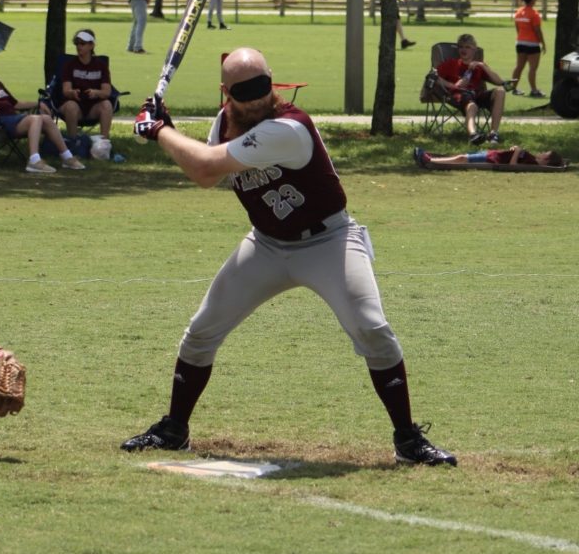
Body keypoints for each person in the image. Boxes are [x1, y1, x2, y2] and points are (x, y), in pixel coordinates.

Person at [122, 47, 457, 467]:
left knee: (372, 329)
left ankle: (408, 440)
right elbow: (206, 176)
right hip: (266, 243)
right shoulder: (224, 124)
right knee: (202, 331)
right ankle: (174, 429)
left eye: (263, 85)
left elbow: (207, 166)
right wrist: (166, 130)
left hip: (329, 241)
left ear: (272, 81)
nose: (258, 97)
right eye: (245, 91)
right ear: (226, 92)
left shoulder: (289, 127)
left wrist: (158, 132)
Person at [0, 50, 84, 173]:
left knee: (45, 118)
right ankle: (34, 160)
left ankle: (67, 157)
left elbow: (16, 104)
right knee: (35, 118)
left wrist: (40, 103)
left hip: (11, 120)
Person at [435, 33, 507, 145]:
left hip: (477, 95)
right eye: (461, 47)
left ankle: (493, 134)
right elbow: (433, 76)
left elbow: (500, 82)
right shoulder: (451, 64)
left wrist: (482, 66)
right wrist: (452, 86)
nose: (463, 50)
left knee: (500, 91)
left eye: (467, 47)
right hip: (459, 95)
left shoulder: (479, 66)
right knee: (472, 105)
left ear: (474, 50)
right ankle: (473, 135)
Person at [47, 29, 114, 142]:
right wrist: (72, 93)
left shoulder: (101, 66)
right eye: (77, 43)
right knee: (71, 106)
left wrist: (96, 93)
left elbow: (106, 92)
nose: (79, 46)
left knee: (107, 105)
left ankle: (104, 144)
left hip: (93, 107)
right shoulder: (69, 65)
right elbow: (66, 90)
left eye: (82, 43)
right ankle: (73, 143)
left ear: (91, 45)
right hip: (75, 106)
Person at [512, 0, 547, 97]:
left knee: (519, 67)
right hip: (532, 44)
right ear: (532, 0)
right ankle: (534, 90)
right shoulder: (534, 14)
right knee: (533, 68)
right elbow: (537, 30)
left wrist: (521, 38)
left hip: (520, 43)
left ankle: (513, 89)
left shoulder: (518, 12)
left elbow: (517, 28)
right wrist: (543, 43)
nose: (536, 0)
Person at [414, 145, 564, 168]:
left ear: (546, 160)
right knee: (463, 156)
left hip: (493, 159)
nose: (543, 152)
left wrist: (517, 152)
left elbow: (512, 167)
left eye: (546, 154)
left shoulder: (532, 163)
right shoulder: (531, 157)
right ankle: (431, 158)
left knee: (462, 158)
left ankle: (430, 160)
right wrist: (514, 149)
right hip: (494, 154)